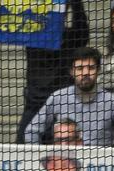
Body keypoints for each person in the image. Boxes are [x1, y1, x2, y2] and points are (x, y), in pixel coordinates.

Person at [24, 46, 114, 146]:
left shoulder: (113, 102)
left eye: (91, 68)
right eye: (79, 68)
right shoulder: (58, 98)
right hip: (65, 170)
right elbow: (31, 132)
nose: (85, 73)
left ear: (98, 70)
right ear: (71, 72)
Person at [16, 0, 90, 143]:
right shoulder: (33, 35)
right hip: (35, 106)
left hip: (63, 107)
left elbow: (81, 26)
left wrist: (75, 3)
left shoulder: (72, 37)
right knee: (21, 150)